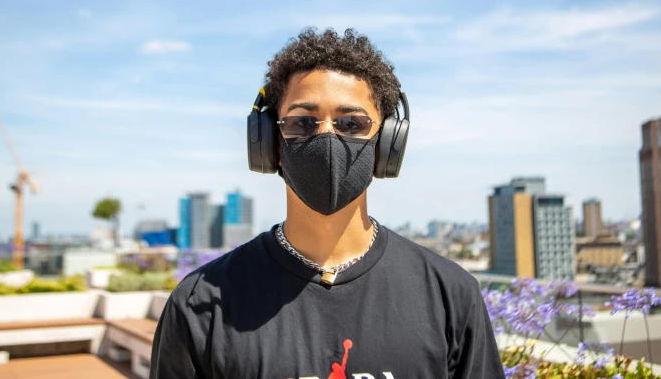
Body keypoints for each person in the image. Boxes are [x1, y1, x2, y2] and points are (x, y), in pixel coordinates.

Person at [150, 28, 505, 379]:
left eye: (352, 123)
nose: (327, 138)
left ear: (387, 145)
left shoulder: (451, 294)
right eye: (303, 122)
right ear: (270, 142)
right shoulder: (200, 303)